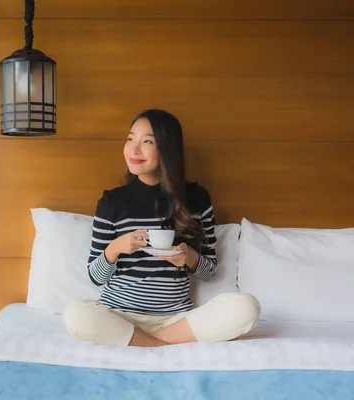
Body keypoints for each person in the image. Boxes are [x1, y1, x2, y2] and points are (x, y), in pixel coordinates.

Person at [63, 109, 260, 347]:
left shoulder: (196, 198)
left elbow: (209, 272)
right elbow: (95, 277)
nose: (134, 149)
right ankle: (162, 345)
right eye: (130, 138)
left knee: (246, 306)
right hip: (120, 316)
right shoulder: (111, 202)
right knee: (76, 314)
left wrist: (189, 257)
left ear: (167, 149)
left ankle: (144, 343)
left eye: (147, 141)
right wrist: (114, 248)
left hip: (175, 319)